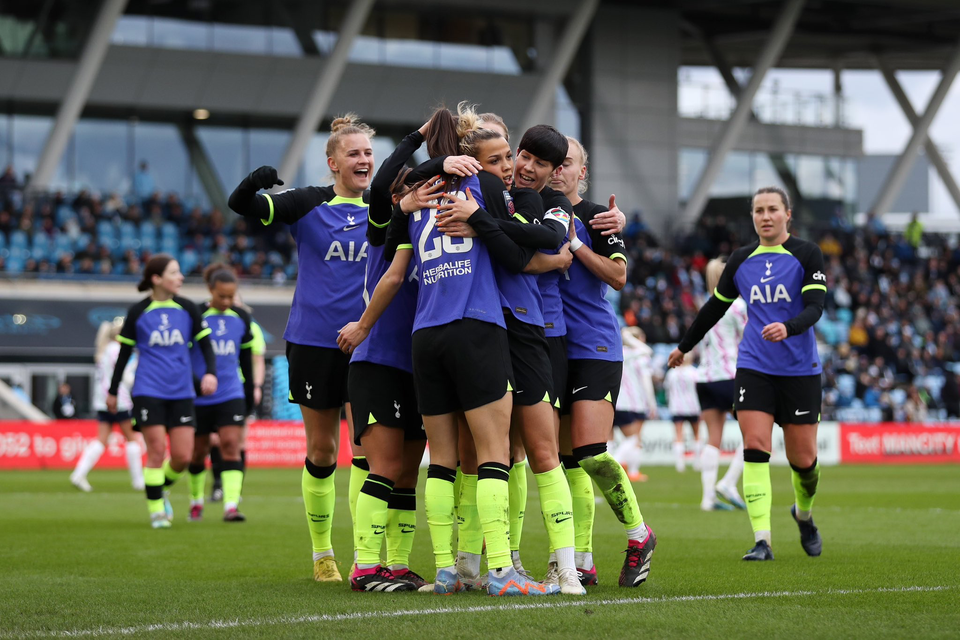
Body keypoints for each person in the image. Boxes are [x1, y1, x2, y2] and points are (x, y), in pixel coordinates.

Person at [343, 111, 559, 597]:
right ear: (472, 156)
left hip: (426, 337)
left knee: (439, 462)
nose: (507, 167)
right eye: (499, 157)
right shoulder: (481, 187)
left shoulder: (413, 203)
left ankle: (445, 571)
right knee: (492, 456)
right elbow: (520, 247)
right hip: (476, 326)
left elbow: (395, 273)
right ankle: (502, 571)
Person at [228, 114, 373, 582]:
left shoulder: (386, 208)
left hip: (369, 341)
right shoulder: (309, 203)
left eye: (369, 153)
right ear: (332, 162)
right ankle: (322, 554)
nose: (364, 160)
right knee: (324, 450)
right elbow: (240, 204)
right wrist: (257, 182)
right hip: (313, 341)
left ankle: (368, 553)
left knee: (368, 451)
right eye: (354, 153)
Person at [668, 185, 826, 561]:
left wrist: (789, 326)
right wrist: (684, 346)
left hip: (800, 370)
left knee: (803, 462)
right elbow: (714, 308)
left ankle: (803, 515)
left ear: (788, 214)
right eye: (758, 210)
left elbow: (816, 306)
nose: (765, 216)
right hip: (754, 366)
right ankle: (762, 540)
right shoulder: (740, 260)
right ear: (753, 216)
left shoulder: (806, 253)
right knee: (755, 448)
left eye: (772, 209)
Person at [550, 136, 657, 588]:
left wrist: (576, 244)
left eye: (566, 163)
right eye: (551, 162)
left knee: (592, 453)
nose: (557, 170)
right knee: (565, 461)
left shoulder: (597, 218)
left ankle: (639, 535)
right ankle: (581, 561)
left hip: (593, 345)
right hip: (550, 347)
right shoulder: (530, 209)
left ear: (582, 172)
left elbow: (618, 275)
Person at [108, 253, 217, 528]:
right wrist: (112, 390)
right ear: (157, 279)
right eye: (174, 273)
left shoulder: (189, 308)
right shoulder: (138, 312)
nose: (180, 277)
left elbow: (206, 345)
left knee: (182, 457)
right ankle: (157, 511)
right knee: (156, 451)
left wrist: (210, 373)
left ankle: (161, 487)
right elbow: (123, 354)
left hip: (182, 392)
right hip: (148, 390)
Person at [185, 265, 254, 523]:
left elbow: (245, 361)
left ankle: (231, 506)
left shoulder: (242, 318)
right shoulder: (195, 315)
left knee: (230, 445)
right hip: (198, 395)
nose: (226, 301)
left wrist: (248, 394)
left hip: (230, 393)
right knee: (197, 452)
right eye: (221, 296)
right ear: (210, 290)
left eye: (231, 296)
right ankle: (195, 502)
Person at [696, 258, 748, 511]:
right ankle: (728, 482)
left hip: (704, 378)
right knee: (756, 432)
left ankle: (707, 498)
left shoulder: (704, 305)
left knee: (712, 438)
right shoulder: (737, 306)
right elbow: (749, 337)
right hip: (729, 375)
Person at [70, 321, 144, 493]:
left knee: (101, 439)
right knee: (132, 439)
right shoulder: (117, 351)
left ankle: (79, 474)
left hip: (102, 400)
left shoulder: (103, 350)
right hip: (119, 399)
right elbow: (125, 378)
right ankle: (138, 481)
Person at [612, 327, 657, 483]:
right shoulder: (639, 356)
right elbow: (646, 381)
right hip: (633, 402)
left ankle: (624, 470)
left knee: (609, 440)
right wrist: (652, 404)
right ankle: (627, 468)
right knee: (633, 439)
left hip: (613, 400)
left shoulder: (617, 351)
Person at [663, 352, 702, 473]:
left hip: (677, 406)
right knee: (696, 434)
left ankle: (680, 464)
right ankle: (697, 462)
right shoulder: (695, 372)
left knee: (678, 435)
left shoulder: (671, 373)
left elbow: (666, 389)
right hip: (693, 406)